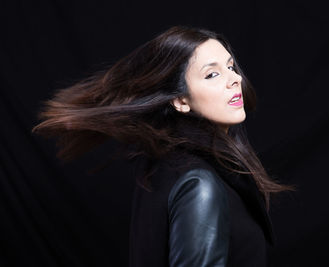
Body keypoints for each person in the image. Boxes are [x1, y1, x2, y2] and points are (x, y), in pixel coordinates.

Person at [33, 26, 292, 266]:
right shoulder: (199, 183)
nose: (234, 79)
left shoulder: (165, 165)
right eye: (212, 74)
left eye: (231, 67)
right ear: (180, 100)